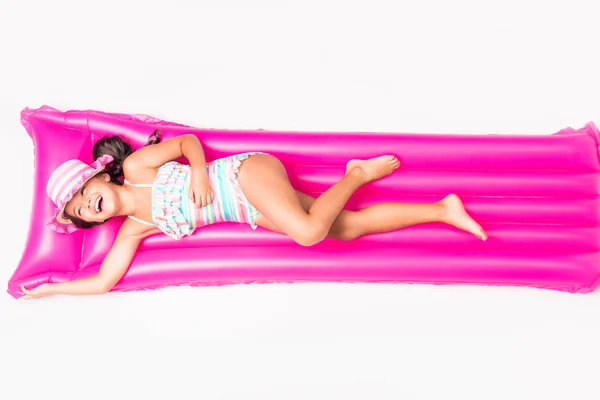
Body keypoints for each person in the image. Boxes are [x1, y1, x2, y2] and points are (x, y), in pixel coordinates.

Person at [22, 130, 487, 299]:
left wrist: (199, 175)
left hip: (244, 173)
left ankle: (355, 175)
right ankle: (442, 209)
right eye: (80, 211)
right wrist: (50, 292)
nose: (87, 205)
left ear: (101, 177)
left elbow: (186, 144)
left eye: (84, 193)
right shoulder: (135, 230)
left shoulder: (139, 167)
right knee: (345, 228)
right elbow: (103, 282)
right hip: (247, 208)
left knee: (308, 233)